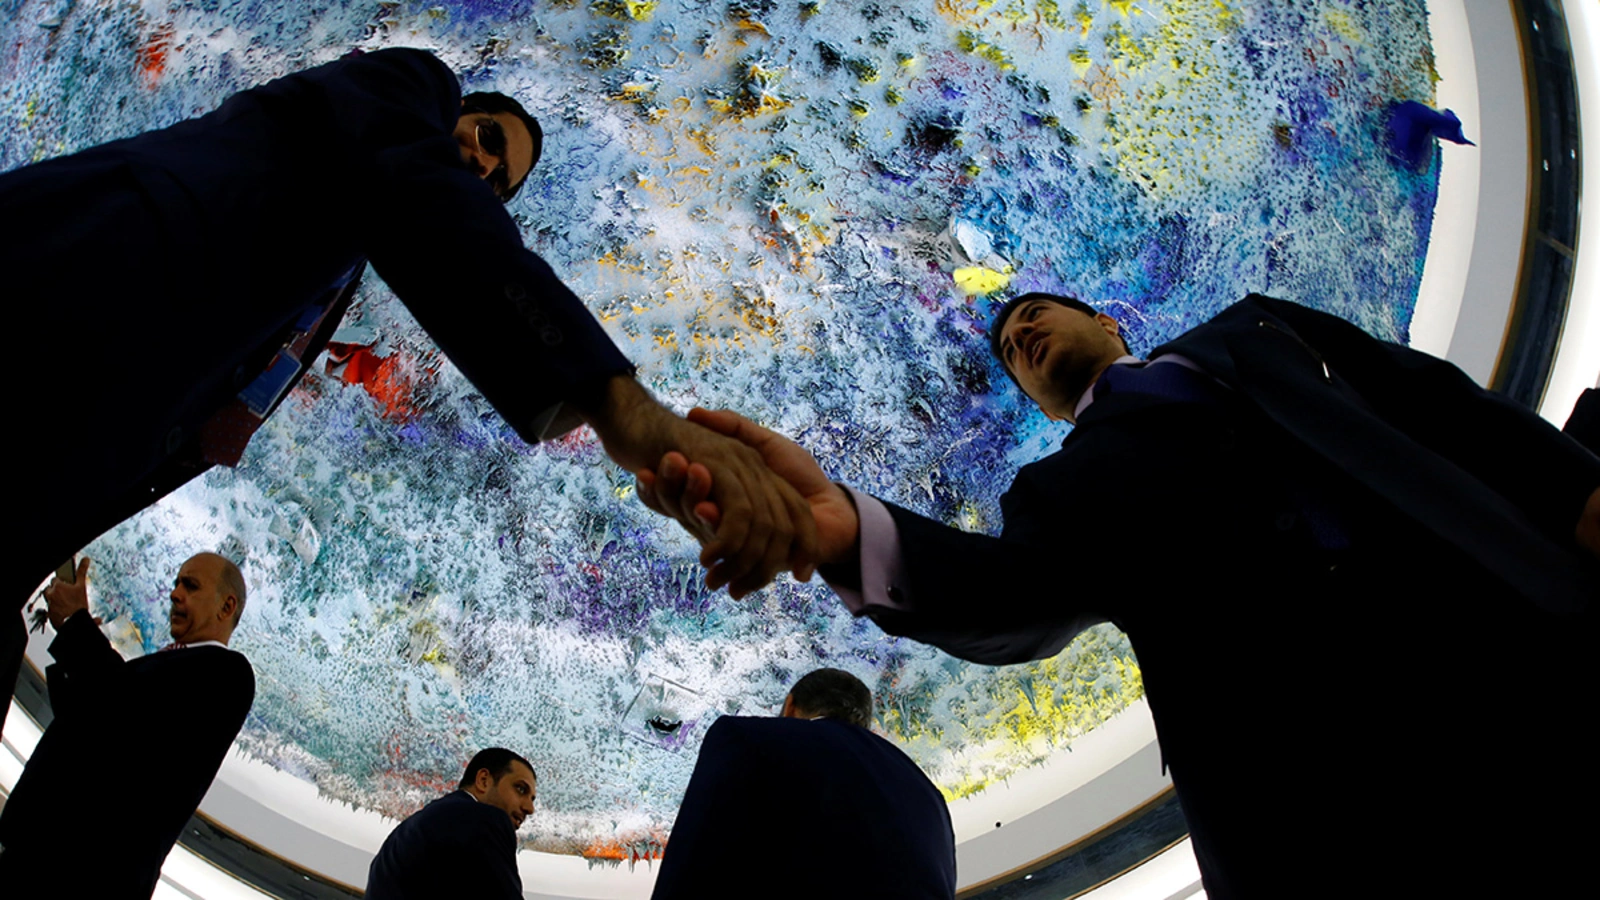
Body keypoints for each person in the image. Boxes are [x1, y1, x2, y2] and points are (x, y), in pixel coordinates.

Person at [640, 293, 1600, 897]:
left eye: (1033, 319)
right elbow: (1012, 598)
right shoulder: (1058, 494)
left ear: (1109, 320)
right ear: (1044, 404)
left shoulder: (1260, 329)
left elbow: (1437, 405)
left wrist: (1579, 491)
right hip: (1333, 806)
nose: (1019, 336)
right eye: (1013, 352)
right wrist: (839, 528)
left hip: (1524, 645)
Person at [2, 46, 817, 729]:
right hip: (66, 283)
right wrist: (623, 409)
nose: (484, 166)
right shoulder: (406, 85)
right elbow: (425, 196)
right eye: (488, 138)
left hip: (81, 444)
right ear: (460, 113)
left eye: (498, 180)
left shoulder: (344, 264)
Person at [0, 553, 256, 898]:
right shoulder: (165, 665)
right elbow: (100, 726)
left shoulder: (229, 674)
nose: (175, 594)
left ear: (227, 607)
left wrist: (77, 627)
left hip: (82, 875)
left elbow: (127, 718)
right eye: (176, 583)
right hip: (40, 858)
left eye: (190, 585)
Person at [651, 668, 955, 900]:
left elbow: (693, 861)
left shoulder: (745, 738)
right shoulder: (931, 798)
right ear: (865, 723)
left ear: (790, 706)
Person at [366, 748, 537, 900]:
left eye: (532, 799)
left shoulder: (410, 831)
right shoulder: (486, 820)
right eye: (520, 789)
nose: (530, 808)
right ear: (484, 780)